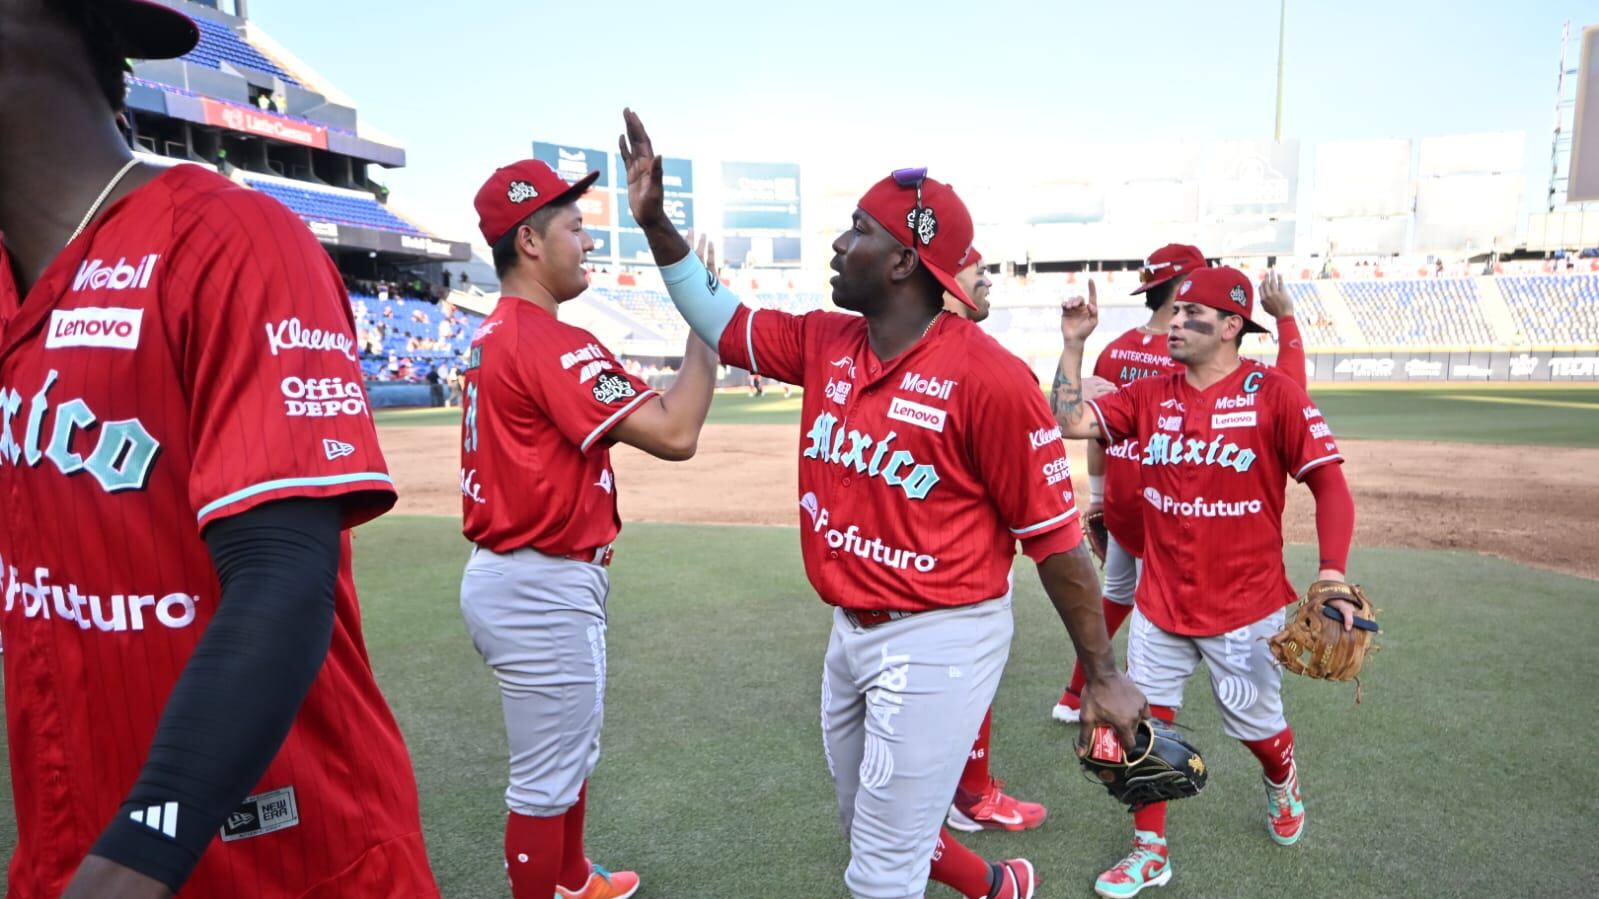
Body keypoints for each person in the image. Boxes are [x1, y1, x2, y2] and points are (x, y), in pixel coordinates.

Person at [621, 108, 1145, 899]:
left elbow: (1055, 540)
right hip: (850, 629)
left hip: (940, 635)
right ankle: (1000, 887)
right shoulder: (827, 341)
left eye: (857, 230)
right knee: (863, 826)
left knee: (878, 869)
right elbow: (720, 322)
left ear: (905, 260)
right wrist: (657, 224)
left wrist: (1100, 673)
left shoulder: (990, 378)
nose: (838, 244)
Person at [0, 2, 439, 896]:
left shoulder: (232, 238)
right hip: (66, 843)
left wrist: (135, 856)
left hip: (287, 861)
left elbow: (283, 575)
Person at [458, 157, 718, 899]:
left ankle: (572, 879)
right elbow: (675, 432)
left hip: (521, 570)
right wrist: (705, 320)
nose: (587, 242)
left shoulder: (499, 332)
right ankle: (552, 886)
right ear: (530, 242)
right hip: (539, 577)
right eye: (574, 227)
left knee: (570, 749)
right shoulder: (547, 339)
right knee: (544, 777)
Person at [1052, 267, 1357, 899]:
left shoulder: (1275, 395)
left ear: (1231, 327)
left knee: (1260, 734)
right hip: (1161, 603)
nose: (1175, 323)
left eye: (1193, 314)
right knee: (1141, 725)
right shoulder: (1149, 395)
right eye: (1176, 311)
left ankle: (1282, 781)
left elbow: (1329, 484)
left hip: (1247, 608)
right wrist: (1075, 341)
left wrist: (1331, 572)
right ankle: (1149, 851)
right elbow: (1071, 422)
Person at [1053, 250, 1307, 723]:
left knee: (1117, 594)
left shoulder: (1118, 348)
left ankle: (1077, 691)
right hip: (1170, 512)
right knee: (1166, 619)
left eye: (1195, 311)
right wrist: (1286, 321)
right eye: (1185, 303)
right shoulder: (1182, 373)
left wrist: (1099, 496)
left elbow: (1084, 429)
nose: (1182, 319)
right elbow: (1293, 396)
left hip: (1129, 504)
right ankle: (1117, 692)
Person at [927, 251, 1047, 835]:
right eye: (977, 268)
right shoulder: (981, 367)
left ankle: (967, 791)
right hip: (951, 580)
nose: (988, 278)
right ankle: (968, 800)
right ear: (947, 283)